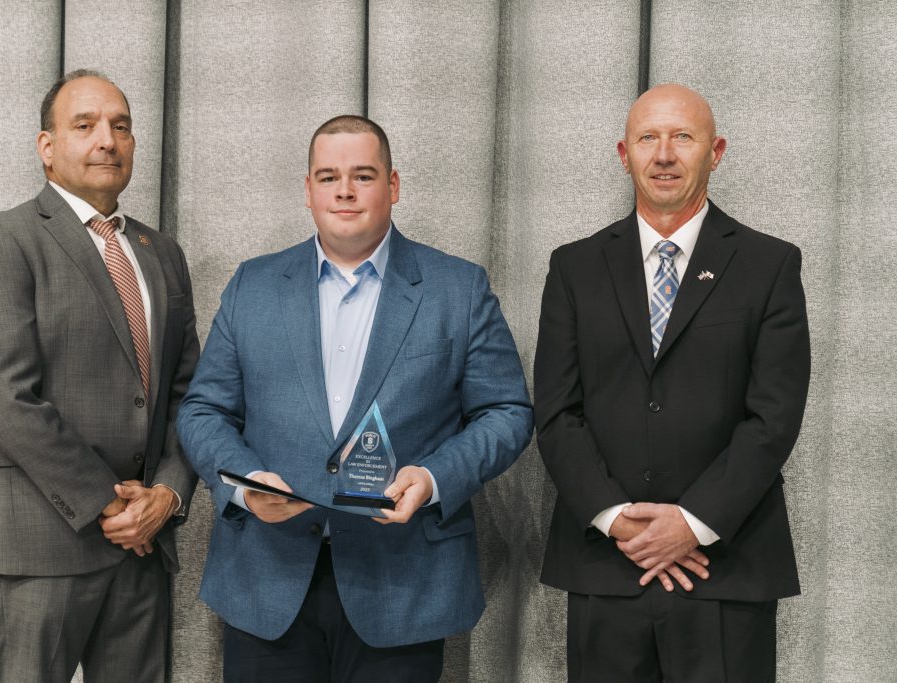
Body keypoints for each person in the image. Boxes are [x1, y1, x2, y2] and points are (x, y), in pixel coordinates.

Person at [177, 115, 533, 682]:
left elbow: (507, 413)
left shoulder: (458, 288)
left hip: (402, 584)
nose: (344, 191)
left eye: (363, 176)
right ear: (308, 189)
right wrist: (244, 484)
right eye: (328, 177)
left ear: (393, 186)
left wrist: (435, 478)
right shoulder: (253, 285)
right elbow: (203, 411)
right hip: (267, 580)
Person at [534, 83, 811, 681]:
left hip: (725, 566)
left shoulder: (770, 265)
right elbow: (556, 413)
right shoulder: (574, 267)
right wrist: (618, 520)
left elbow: (774, 416)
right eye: (647, 138)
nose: (664, 154)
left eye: (683, 137)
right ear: (623, 153)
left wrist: (692, 524)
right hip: (608, 563)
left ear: (716, 152)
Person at [0, 69, 199, 682]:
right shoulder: (4, 238)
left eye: (121, 126)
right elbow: (6, 399)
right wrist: (110, 505)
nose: (107, 140)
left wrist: (166, 497)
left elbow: (187, 396)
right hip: (44, 539)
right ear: (47, 146)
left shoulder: (162, 252)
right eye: (85, 125)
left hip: (144, 543)